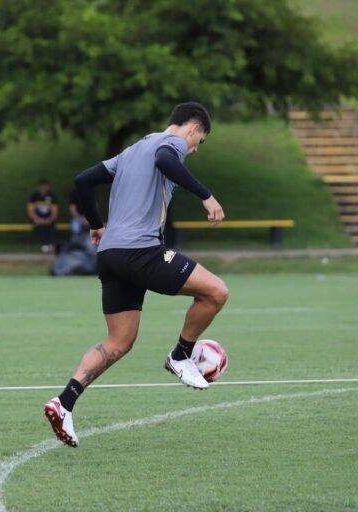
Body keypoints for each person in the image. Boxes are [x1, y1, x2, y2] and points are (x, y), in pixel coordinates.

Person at [44, 102, 228, 447]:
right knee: (216, 292)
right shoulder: (170, 144)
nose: (195, 149)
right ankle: (181, 355)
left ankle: (63, 403)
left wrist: (97, 226)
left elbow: (84, 181)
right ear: (192, 129)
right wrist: (206, 196)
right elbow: (165, 161)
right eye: (199, 141)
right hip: (140, 251)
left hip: (110, 254)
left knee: (119, 341)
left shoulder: (131, 150)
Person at [27, 179, 58, 253]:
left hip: (49, 219)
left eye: (45, 186)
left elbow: (55, 211)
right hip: (37, 220)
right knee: (40, 227)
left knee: (51, 227)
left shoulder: (52, 196)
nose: (44, 188)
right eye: (42, 186)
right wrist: (38, 219)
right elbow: (31, 211)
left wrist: (49, 219)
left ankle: (50, 245)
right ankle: (45, 245)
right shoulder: (34, 196)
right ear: (39, 187)